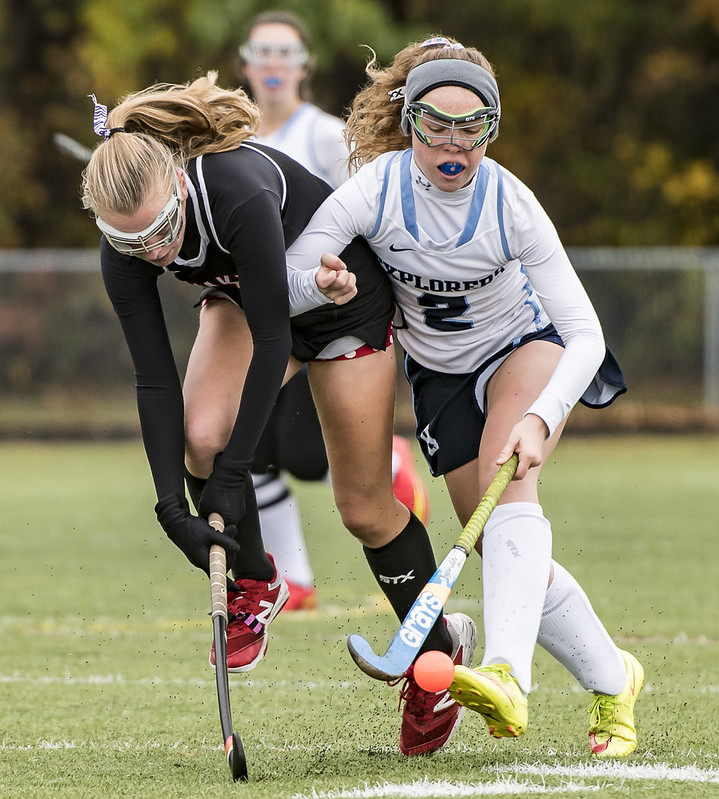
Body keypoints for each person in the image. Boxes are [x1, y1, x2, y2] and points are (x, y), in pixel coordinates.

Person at [81, 73, 476, 756]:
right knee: (200, 437)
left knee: (363, 509)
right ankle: (257, 581)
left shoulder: (234, 189)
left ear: (178, 186)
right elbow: (153, 379)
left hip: (339, 301)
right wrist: (170, 505)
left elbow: (273, 338)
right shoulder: (128, 247)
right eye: (132, 243)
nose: (155, 253)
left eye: (163, 230)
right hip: (248, 298)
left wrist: (234, 474)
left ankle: (436, 659)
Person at [285, 36, 643, 758]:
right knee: (497, 548)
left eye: (471, 126)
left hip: (523, 350)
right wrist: (319, 284)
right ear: (409, 121)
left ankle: (506, 673)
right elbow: (290, 277)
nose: (453, 143)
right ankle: (614, 678)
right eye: (435, 125)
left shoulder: (512, 204)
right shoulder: (375, 190)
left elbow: (585, 333)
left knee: (509, 503)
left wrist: (542, 415)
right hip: (439, 380)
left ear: (492, 127)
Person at [239, 10, 430, 609]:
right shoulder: (234, 137)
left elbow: (361, 213)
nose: (274, 64)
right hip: (259, 315)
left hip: (324, 314)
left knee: (304, 455)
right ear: (246, 63)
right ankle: (293, 580)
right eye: (263, 52)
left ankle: (389, 462)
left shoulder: (323, 135)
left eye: (286, 53)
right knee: (246, 447)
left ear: (305, 66)